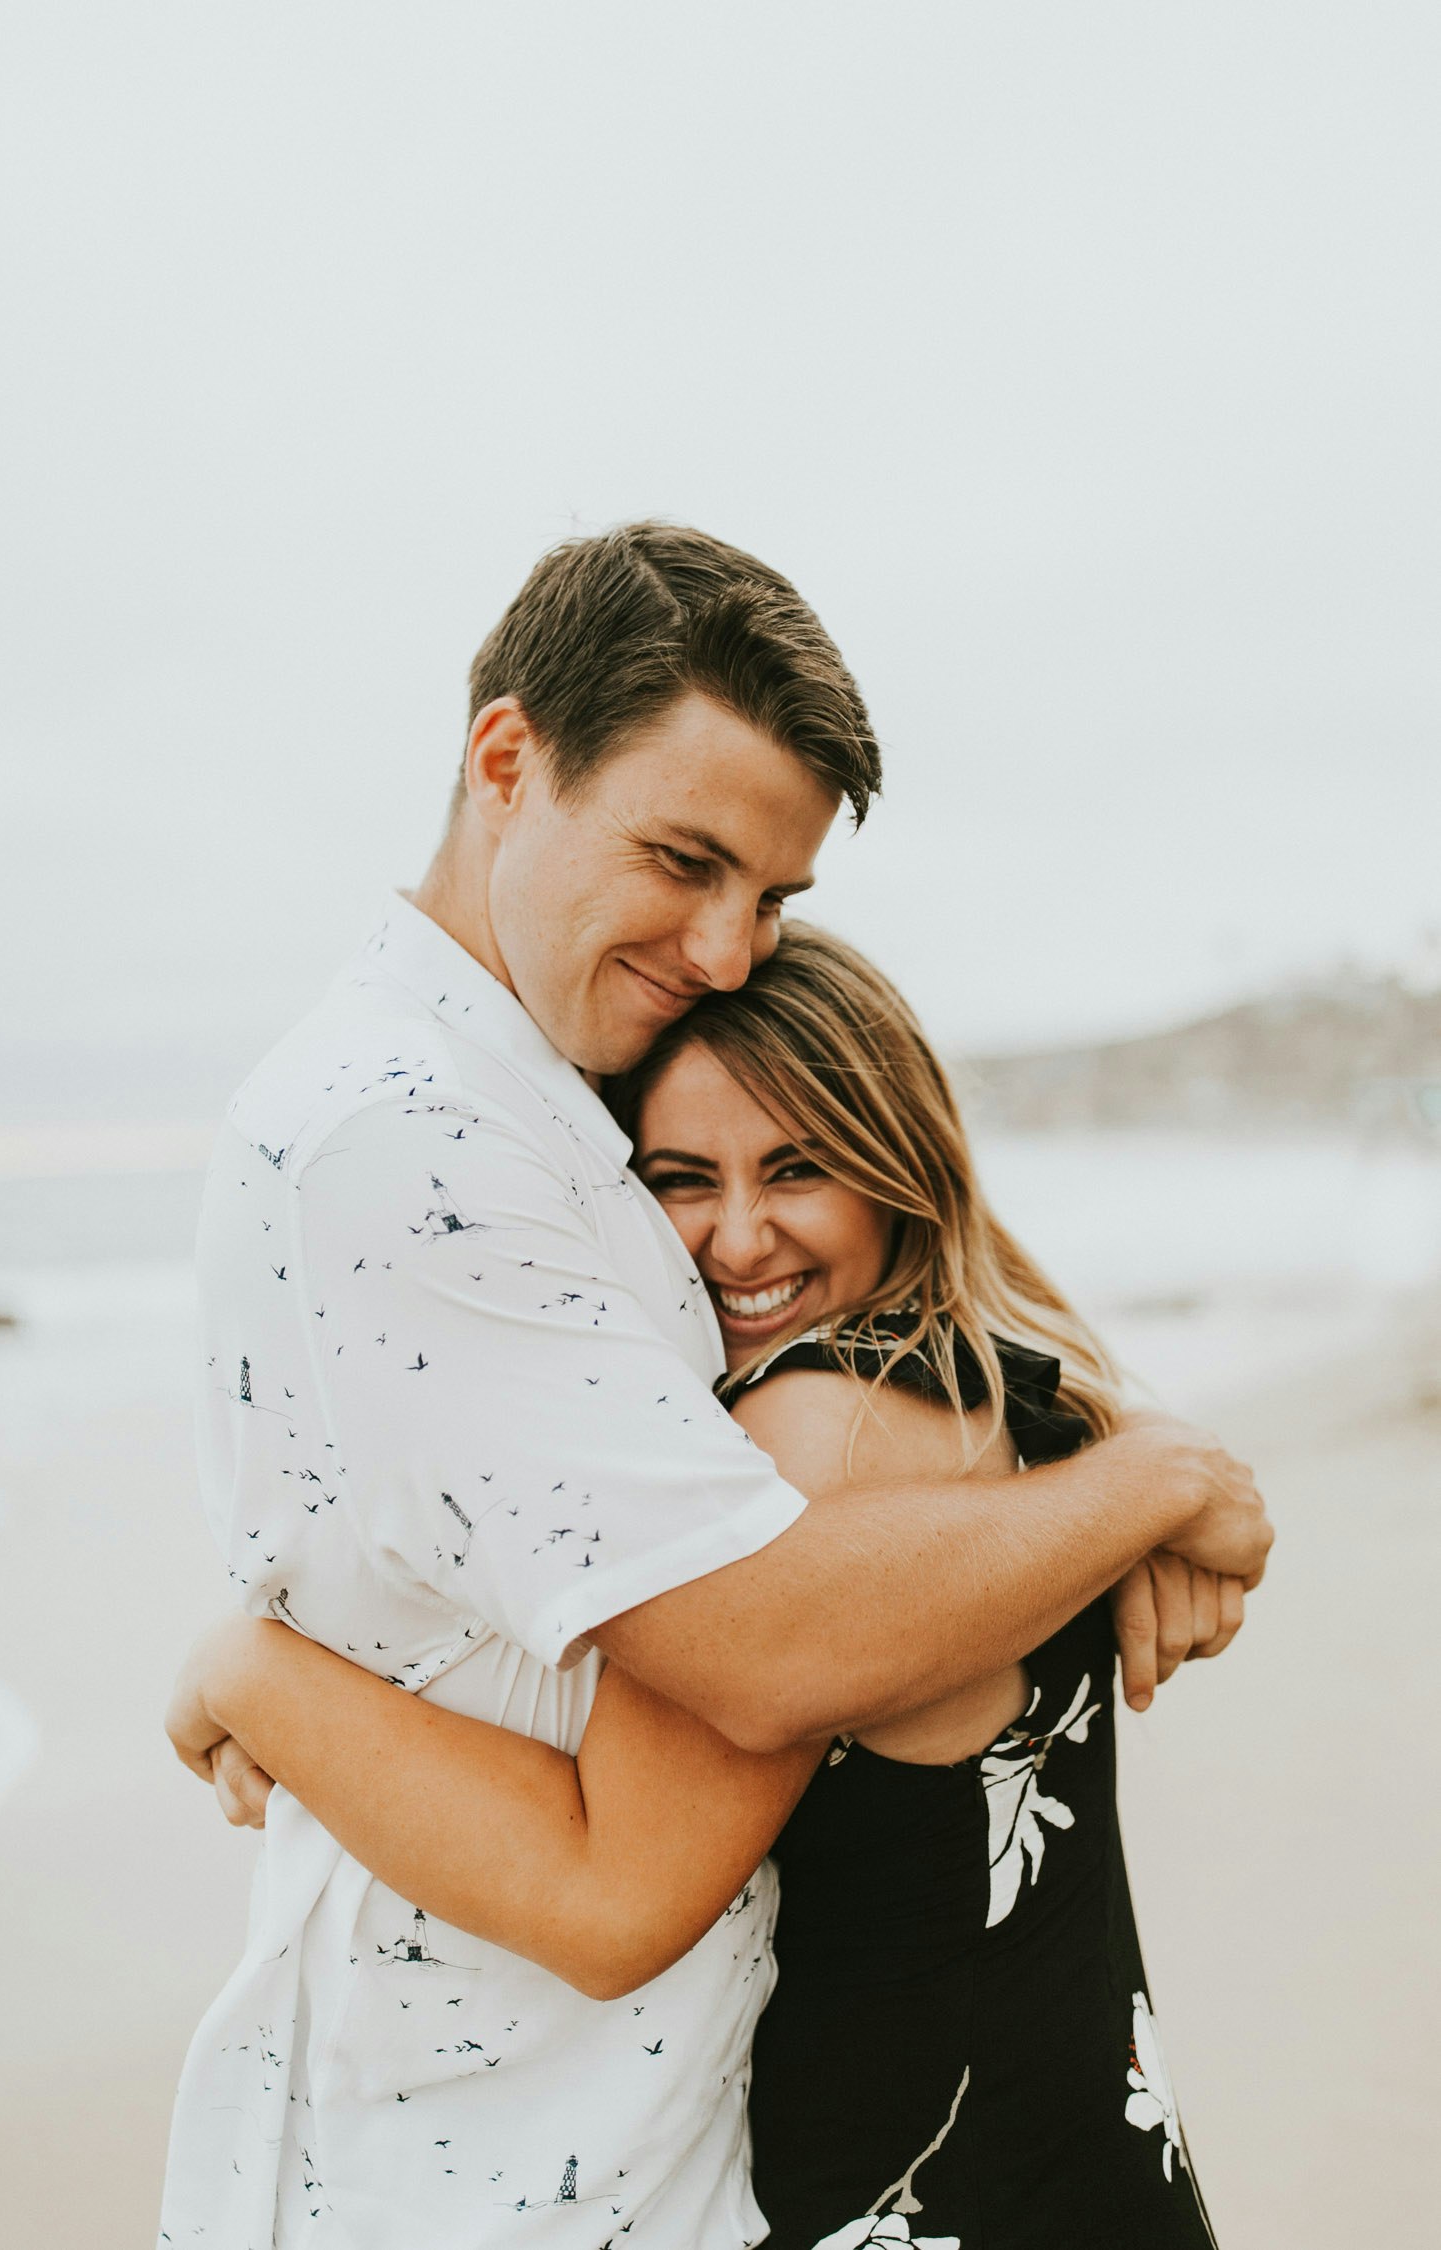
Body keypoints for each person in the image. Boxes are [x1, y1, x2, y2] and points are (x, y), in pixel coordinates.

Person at [159, 523, 1269, 2250]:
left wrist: (1127, 1466)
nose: (732, 946)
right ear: (508, 761)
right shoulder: (417, 1139)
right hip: (499, 2169)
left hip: (616, 2148)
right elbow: (756, 1656)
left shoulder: (544, 1102)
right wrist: (1152, 1476)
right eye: (685, 861)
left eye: (773, 896)